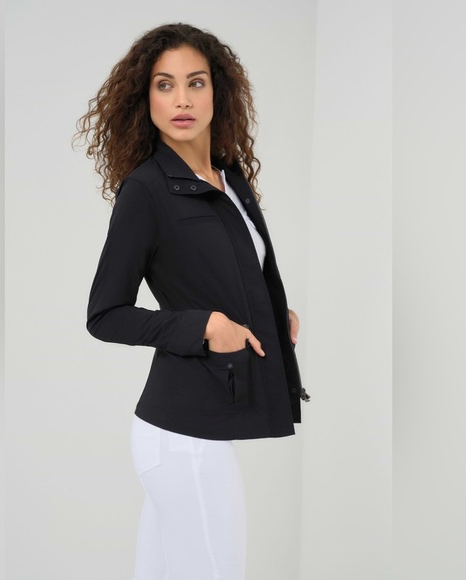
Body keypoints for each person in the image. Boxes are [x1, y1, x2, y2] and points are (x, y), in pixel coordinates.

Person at [74, 22, 309, 580]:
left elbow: (228, 273)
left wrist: (272, 313)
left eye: (195, 83)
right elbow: (105, 315)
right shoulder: (147, 191)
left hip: (192, 433)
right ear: (146, 98)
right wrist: (202, 327)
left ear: (216, 92)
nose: (181, 99)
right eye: (165, 84)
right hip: (181, 437)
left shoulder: (229, 178)